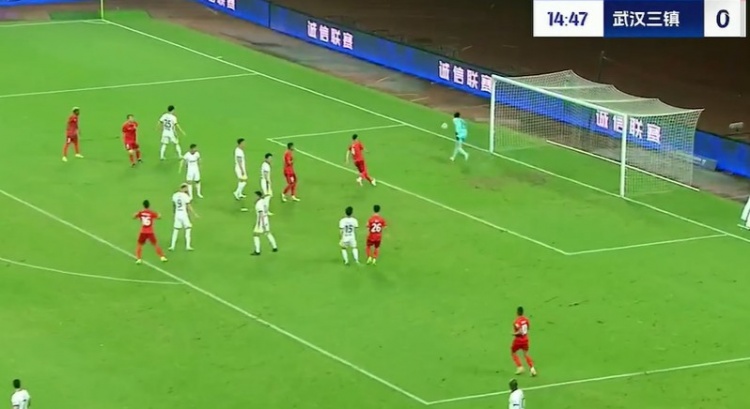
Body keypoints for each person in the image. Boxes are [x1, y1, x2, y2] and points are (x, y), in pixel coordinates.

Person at [170, 183, 197, 251]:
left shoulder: (175, 195)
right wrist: (194, 214)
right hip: (183, 214)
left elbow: (174, 205)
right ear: (184, 188)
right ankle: (188, 246)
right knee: (188, 228)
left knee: (176, 230)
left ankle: (172, 246)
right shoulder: (185, 196)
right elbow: (188, 206)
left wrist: (174, 213)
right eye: (186, 188)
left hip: (177, 214)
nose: (187, 189)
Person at [511, 306, 537, 376]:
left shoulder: (516, 321)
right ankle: (532, 369)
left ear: (517, 312)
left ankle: (520, 367)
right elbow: (528, 328)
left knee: (513, 352)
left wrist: (514, 333)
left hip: (518, 340)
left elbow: (520, 331)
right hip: (525, 339)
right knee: (526, 354)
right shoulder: (526, 320)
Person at [252, 190, 278, 255]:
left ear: (258, 196)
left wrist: (262, 224)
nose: (254, 197)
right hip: (266, 219)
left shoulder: (259, 203)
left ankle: (257, 251)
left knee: (256, 234)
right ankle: (275, 247)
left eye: (255, 196)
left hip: (261, 220)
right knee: (267, 232)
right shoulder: (263, 201)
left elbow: (261, 214)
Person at [233, 138, 248, 209]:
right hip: (239, 168)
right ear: (240, 144)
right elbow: (239, 161)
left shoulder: (240, 150)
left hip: (241, 168)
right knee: (244, 181)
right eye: (243, 143)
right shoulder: (238, 151)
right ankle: (236, 193)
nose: (244, 144)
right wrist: (242, 170)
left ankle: (240, 193)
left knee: (241, 181)